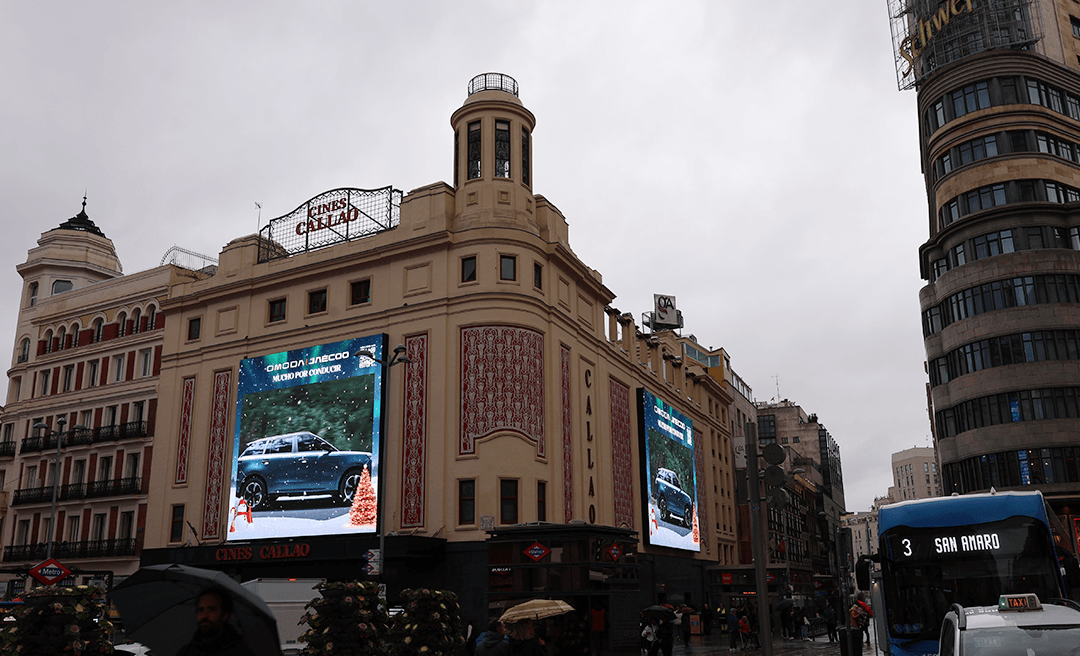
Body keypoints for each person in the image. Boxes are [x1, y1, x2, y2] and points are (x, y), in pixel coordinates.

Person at [177, 587, 254, 656]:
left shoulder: (240, 652)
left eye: (211, 609)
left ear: (225, 615)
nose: (204, 615)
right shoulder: (185, 652)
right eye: (200, 610)